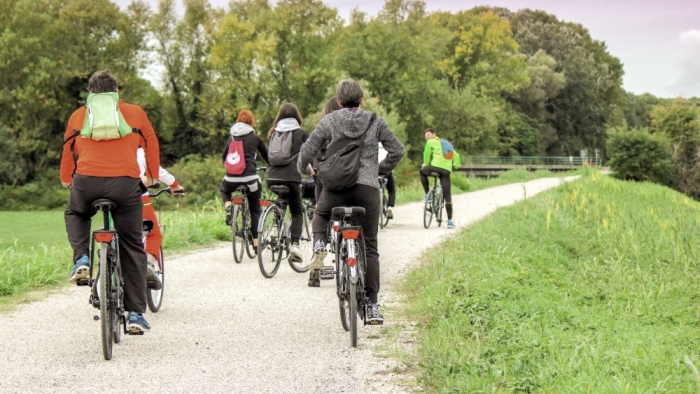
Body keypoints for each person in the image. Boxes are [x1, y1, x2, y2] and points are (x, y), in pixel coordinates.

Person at [298, 79, 405, 324]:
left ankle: (319, 243)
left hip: (336, 189)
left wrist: (307, 171)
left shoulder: (329, 120)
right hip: (367, 190)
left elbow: (306, 151)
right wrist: (380, 170)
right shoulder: (375, 121)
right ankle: (374, 306)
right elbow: (397, 150)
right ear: (361, 100)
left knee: (321, 214)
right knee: (370, 247)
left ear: (338, 101)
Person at [61, 69, 159, 333]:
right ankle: (136, 313)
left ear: (90, 94)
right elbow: (151, 145)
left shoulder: (79, 115)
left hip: (86, 183)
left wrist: (66, 179)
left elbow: (68, 149)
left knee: (75, 213)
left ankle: (81, 259)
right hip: (125, 185)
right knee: (131, 245)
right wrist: (150, 176)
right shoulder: (135, 112)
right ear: (116, 92)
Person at [265, 103, 309, 263]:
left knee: (281, 200)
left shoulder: (272, 133)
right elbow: (306, 157)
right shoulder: (301, 133)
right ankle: (295, 246)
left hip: (270, 178)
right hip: (291, 177)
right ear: (297, 116)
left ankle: (276, 229)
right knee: (297, 211)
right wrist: (310, 171)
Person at [137, 146, 184, 290]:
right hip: (135, 195)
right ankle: (149, 265)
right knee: (154, 233)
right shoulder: (139, 152)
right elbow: (158, 172)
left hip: (106, 194)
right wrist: (175, 185)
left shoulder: (106, 147)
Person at [220, 110, 269, 248]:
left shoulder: (231, 137)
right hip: (250, 179)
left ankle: (229, 206)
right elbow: (267, 158)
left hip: (230, 179)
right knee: (254, 210)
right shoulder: (255, 138)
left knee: (224, 190)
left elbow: (224, 157)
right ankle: (256, 243)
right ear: (251, 122)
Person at [420, 128, 461, 229]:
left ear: (434, 134)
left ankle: (428, 195)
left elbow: (426, 155)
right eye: (426, 136)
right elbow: (456, 156)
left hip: (435, 167)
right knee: (448, 196)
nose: (427, 138)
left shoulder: (430, 142)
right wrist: (456, 165)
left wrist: (425, 163)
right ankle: (450, 221)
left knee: (422, 172)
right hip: (446, 171)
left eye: (428, 135)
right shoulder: (447, 144)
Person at [312, 96, 342, 203]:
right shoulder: (348, 129)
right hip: (344, 176)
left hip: (322, 176)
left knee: (321, 212)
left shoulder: (320, 129)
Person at [377, 142, 396, 219]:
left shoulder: (371, 142)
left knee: (375, 188)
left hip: (375, 169)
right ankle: (390, 207)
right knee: (391, 190)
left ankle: (378, 205)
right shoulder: (388, 143)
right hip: (387, 169)